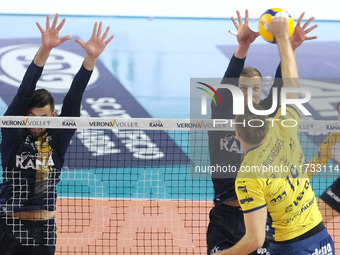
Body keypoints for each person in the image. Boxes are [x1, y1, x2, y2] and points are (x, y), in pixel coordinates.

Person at [215, 16, 334, 255]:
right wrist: (284, 44)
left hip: (271, 223)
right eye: (243, 89)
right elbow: (290, 87)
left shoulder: (249, 175)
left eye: (255, 88)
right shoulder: (282, 125)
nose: (250, 95)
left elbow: (284, 87)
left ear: (237, 133)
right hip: (314, 236)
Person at [0, 14, 114, 254]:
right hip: (7, 225)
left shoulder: (59, 136)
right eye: (31, 116)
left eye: (43, 118)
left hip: (44, 229)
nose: (36, 123)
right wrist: (44, 50)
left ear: (53, 115)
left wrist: (90, 59)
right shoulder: (13, 132)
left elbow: (74, 97)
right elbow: (24, 91)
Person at [307, 101, 340, 224]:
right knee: (312, 222)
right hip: (338, 190)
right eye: (339, 114)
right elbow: (316, 162)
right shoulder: (334, 138)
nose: (338, 118)